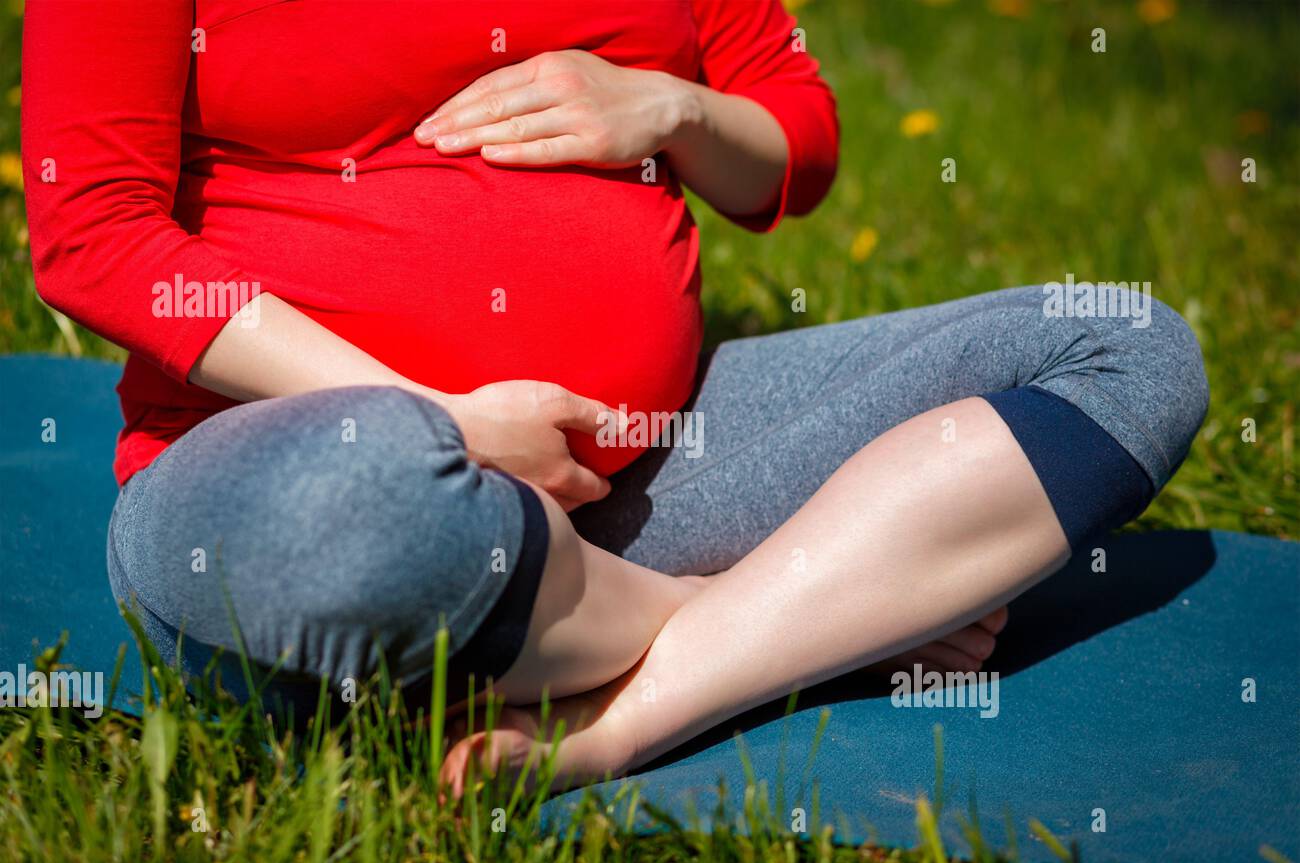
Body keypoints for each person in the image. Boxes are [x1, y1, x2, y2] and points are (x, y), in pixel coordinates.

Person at [21, 0, 1207, 789]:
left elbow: (797, 143)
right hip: (293, 471)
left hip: (649, 470)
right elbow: (91, 236)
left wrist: (672, 108)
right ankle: (813, 605)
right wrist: (440, 418)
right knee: (368, 506)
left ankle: (628, 709)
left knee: (1124, 346)